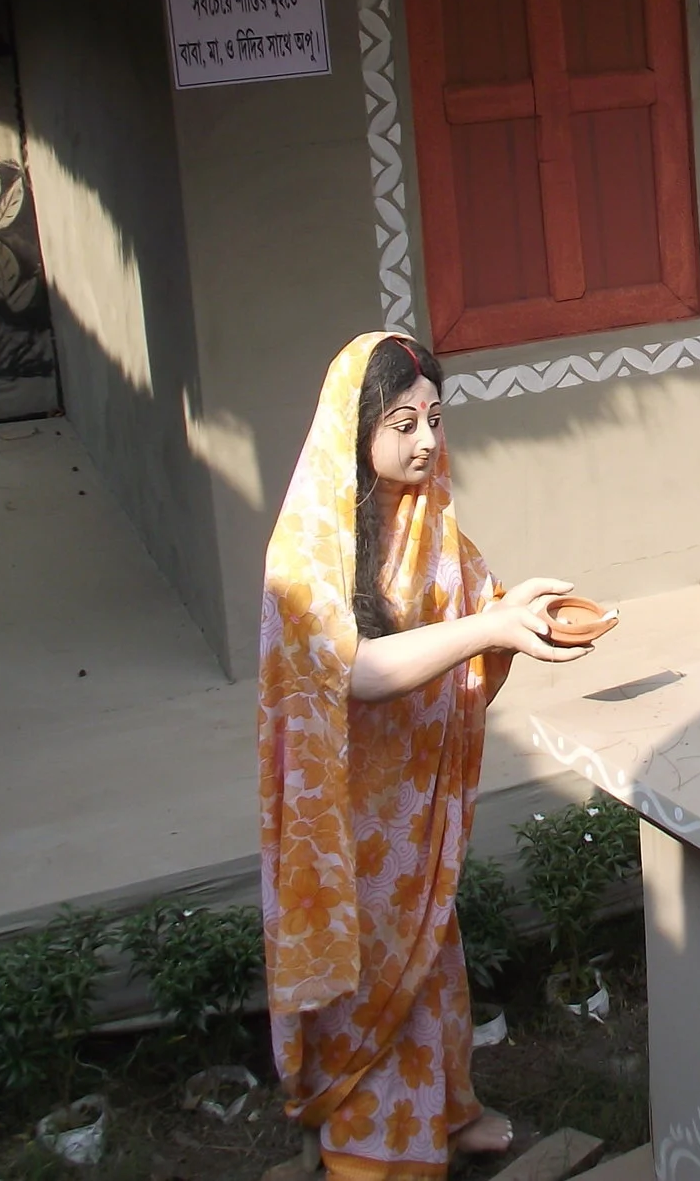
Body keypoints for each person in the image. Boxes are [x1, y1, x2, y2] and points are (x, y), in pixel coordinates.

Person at [259, 333, 599, 1181]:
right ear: (355, 428)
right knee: (369, 977)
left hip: (414, 808)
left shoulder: (431, 528)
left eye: (435, 419)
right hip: (342, 821)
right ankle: (371, 1151)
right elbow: (361, 670)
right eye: (402, 421)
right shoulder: (303, 555)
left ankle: (448, 1112)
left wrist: (517, 613)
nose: (424, 440)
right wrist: (486, 628)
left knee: (431, 966)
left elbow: (470, 630)